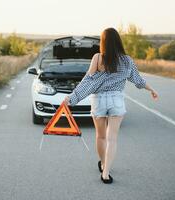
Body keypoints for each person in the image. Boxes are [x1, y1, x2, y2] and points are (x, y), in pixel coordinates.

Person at [63, 28, 158, 184]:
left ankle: (102, 163)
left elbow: (87, 82)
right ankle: (106, 173)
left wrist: (71, 98)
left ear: (103, 42)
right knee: (112, 139)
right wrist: (151, 90)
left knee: (101, 136)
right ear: (118, 41)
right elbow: (138, 80)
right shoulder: (127, 60)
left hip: (99, 100)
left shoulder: (98, 58)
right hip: (116, 100)